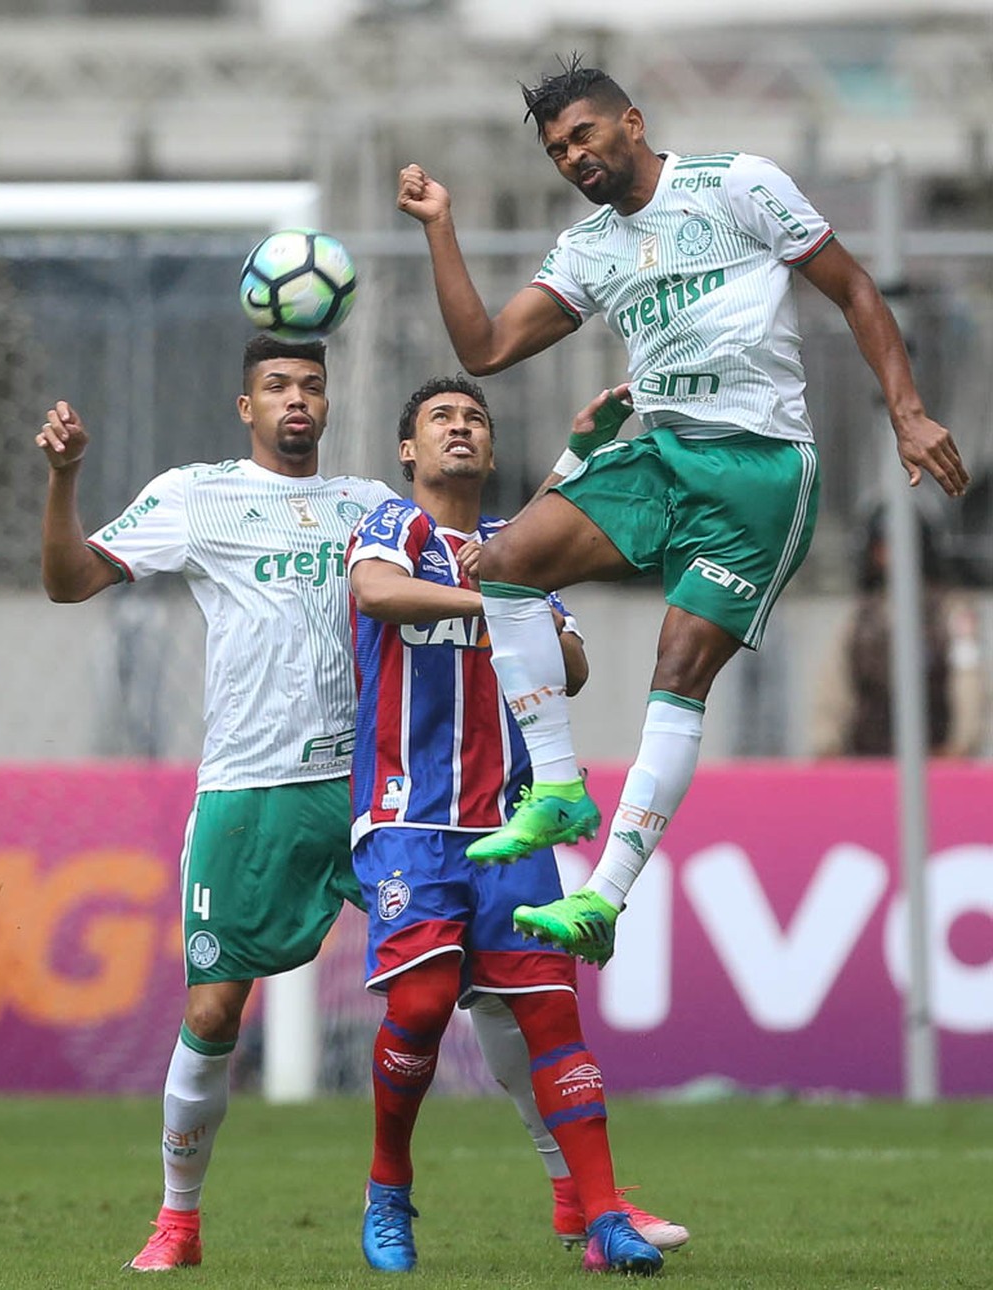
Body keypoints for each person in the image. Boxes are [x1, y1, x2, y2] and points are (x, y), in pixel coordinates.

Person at [34, 334, 680, 1273]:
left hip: (381, 789)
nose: (296, 398)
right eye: (276, 386)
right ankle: (178, 1220)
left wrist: (572, 465)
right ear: (246, 406)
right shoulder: (195, 494)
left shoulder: (373, 504)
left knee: (497, 996)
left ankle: (582, 1196)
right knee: (214, 1012)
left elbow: (493, 536)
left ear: (331, 406)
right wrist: (65, 478)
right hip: (253, 787)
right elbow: (68, 582)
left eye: (311, 384)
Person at [396, 54, 971, 966]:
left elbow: (855, 288)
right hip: (662, 454)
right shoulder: (588, 247)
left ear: (632, 123)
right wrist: (440, 226)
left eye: (582, 135)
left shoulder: (736, 185)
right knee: (504, 564)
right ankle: (558, 789)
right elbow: (487, 347)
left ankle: (603, 896)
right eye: (556, 151)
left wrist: (905, 411)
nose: (573, 158)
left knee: (678, 669)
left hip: (759, 468)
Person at [346, 373, 678, 1274]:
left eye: (475, 418)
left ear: (491, 450)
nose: (460, 428)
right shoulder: (397, 528)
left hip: (512, 823)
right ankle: (387, 1186)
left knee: (551, 1016)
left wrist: (517, 592)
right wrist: (495, 601)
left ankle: (603, 1218)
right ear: (409, 450)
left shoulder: (515, 547)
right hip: (409, 816)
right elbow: (377, 595)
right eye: (440, 419)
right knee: (420, 1003)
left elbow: (572, 666)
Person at [811, 508, 987, 757]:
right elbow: (833, 686)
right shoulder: (858, 619)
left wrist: (962, 744)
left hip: (937, 759)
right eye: (883, 547)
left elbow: (968, 681)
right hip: (867, 760)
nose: (892, 555)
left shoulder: (952, 612)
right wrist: (827, 745)